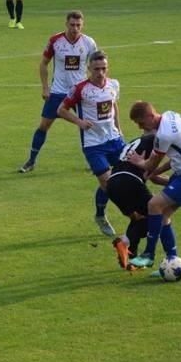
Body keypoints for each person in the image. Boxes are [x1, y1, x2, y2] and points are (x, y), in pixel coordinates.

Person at [125, 101, 181, 279]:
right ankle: (171, 260)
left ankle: (149, 254)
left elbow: (150, 163)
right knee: (163, 214)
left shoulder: (164, 135)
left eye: (141, 123)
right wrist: (154, 172)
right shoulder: (172, 115)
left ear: (150, 116)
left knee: (153, 205)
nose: (141, 128)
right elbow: (177, 156)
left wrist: (138, 162)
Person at [18, 10, 98, 174]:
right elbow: (43, 64)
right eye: (72, 25)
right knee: (44, 126)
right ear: (66, 24)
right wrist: (45, 87)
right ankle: (31, 161)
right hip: (58, 91)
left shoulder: (89, 43)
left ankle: (92, 162)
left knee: (87, 127)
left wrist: (92, 87)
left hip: (79, 92)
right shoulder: (55, 41)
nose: (75, 29)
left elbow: (95, 66)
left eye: (78, 25)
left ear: (82, 25)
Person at [57, 51, 126, 238]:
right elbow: (61, 109)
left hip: (114, 139)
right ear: (89, 69)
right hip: (93, 144)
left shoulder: (114, 84)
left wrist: (119, 129)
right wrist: (79, 122)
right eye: (96, 69)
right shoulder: (80, 89)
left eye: (103, 69)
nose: (100, 73)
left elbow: (114, 106)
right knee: (108, 183)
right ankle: (100, 216)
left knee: (131, 172)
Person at [107, 132, 170, 270]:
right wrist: (175, 184)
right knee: (157, 214)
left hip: (111, 184)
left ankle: (132, 260)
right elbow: (153, 176)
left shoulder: (137, 141)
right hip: (130, 181)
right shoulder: (159, 142)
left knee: (139, 218)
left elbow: (149, 173)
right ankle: (125, 242)